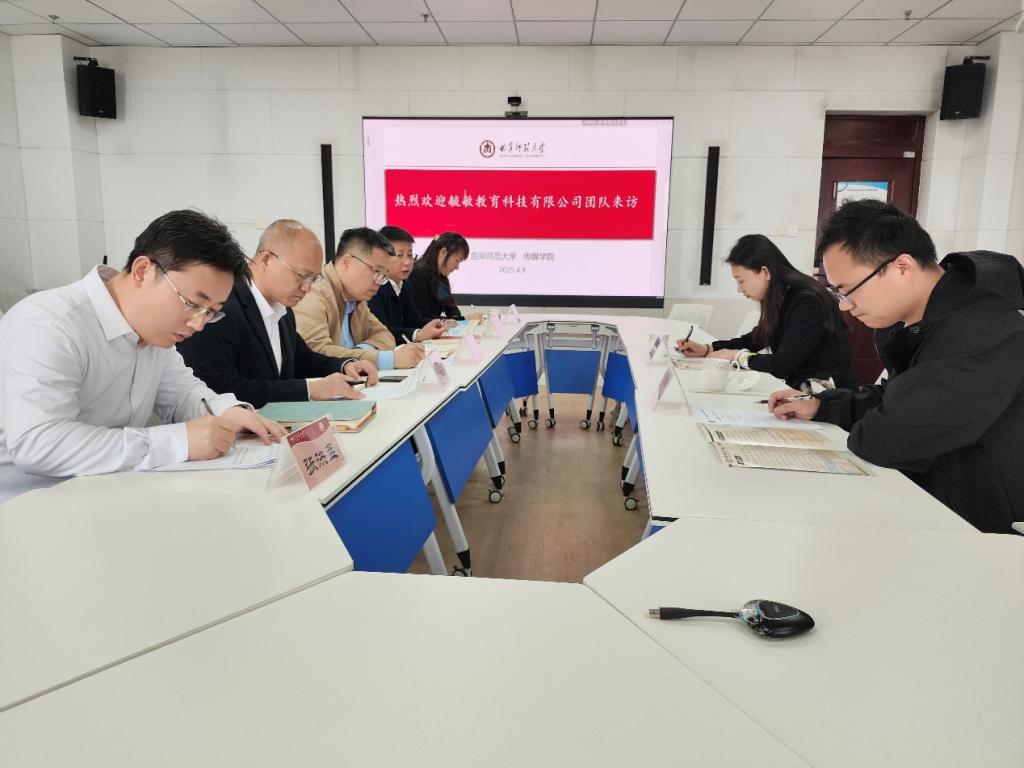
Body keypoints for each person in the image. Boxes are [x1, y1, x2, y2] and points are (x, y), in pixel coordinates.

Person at [769, 199, 1024, 534]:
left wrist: (864, 420)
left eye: (847, 290)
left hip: (986, 532)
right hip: (940, 505)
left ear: (902, 267)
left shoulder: (983, 329)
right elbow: (900, 399)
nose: (845, 306)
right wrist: (823, 406)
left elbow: (886, 438)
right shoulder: (934, 319)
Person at [0, 210, 287, 498]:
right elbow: (38, 443)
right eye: (192, 304)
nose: (198, 324)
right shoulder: (50, 323)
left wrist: (227, 412)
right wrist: (175, 442)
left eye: (211, 312)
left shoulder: (153, 334)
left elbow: (182, 394)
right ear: (142, 271)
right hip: (30, 504)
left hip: (109, 492)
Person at [177, 220, 378, 409]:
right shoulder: (221, 304)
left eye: (313, 279)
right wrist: (308, 390)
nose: (307, 287)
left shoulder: (282, 307)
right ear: (266, 259)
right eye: (301, 276)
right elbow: (217, 387)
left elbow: (301, 358)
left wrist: (344, 365)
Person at [677, 234, 854, 390]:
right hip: (802, 390)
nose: (739, 289)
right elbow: (757, 338)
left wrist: (735, 356)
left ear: (765, 272)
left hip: (826, 396)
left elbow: (781, 365)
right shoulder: (784, 296)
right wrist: (707, 348)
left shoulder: (807, 301)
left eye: (741, 281)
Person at [295, 227, 425, 370]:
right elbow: (316, 354)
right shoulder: (313, 294)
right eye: (376, 271)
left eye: (384, 276)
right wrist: (385, 359)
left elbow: (385, 335)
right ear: (347, 262)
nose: (379, 282)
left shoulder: (356, 298)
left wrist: (359, 351)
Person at [368, 225, 446, 345]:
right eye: (400, 255)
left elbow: (414, 319)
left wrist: (438, 324)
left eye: (410, 255)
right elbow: (382, 331)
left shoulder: (404, 284)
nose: (408, 262)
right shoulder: (374, 288)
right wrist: (417, 334)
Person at [404, 231, 474, 322]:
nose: (457, 267)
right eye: (457, 260)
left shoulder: (439, 277)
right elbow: (422, 316)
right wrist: (461, 320)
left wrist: (457, 319)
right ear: (443, 252)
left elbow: (450, 308)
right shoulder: (419, 273)